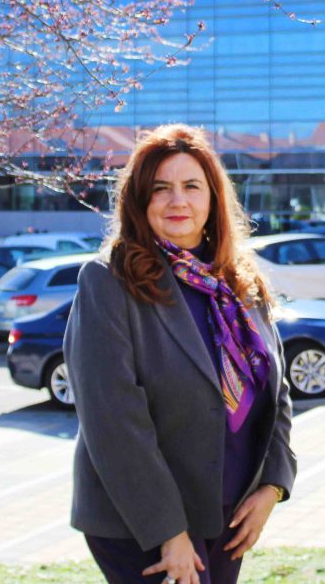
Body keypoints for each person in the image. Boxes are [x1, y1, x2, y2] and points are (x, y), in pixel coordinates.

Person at [64, 124, 296, 584]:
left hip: (227, 514)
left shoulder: (237, 282)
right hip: (143, 521)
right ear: (138, 201)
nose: (178, 201)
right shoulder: (109, 282)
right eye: (160, 189)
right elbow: (114, 422)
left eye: (192, 186)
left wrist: (272, 485)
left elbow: (277, 390)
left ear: (213, 198)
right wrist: (169, 532)